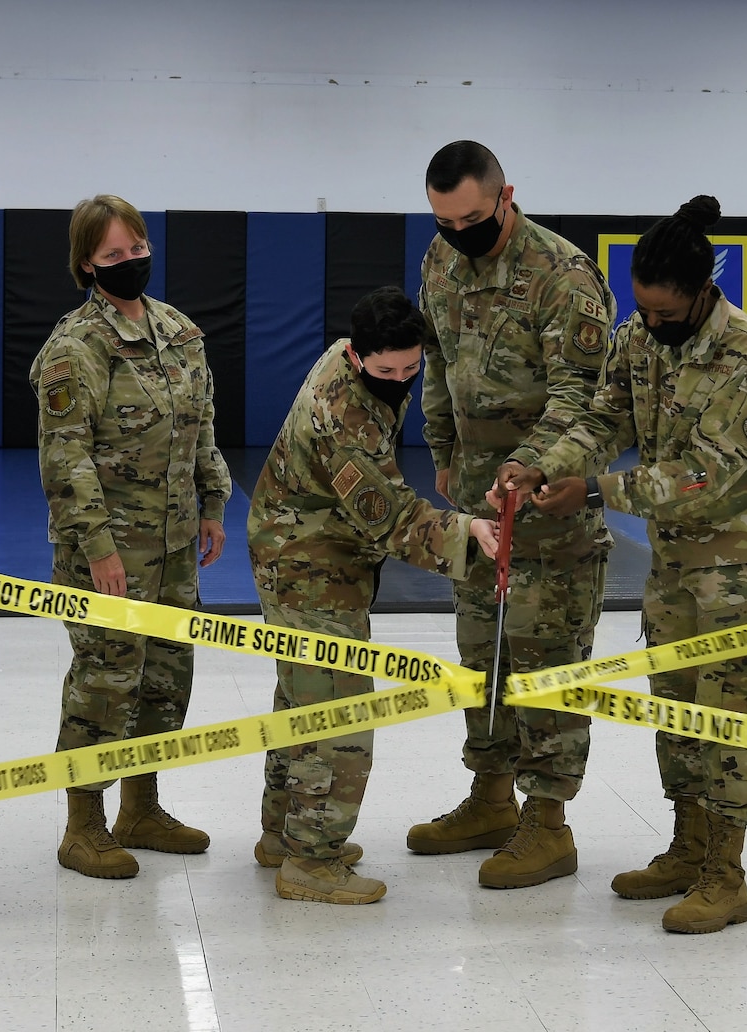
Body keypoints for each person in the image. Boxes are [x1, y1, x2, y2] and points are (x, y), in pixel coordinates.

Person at [498, 195, 747, 934]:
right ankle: (687, 846)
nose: (653, 325)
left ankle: (726, 874)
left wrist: (597, 490)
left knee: (727, 714)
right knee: (674, 706)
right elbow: (603, 419)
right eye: (645, 310)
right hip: (673, 560)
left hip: (736, 561)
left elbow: (709, 472)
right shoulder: (638, 337)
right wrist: (541, 466)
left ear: (704, 292)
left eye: (667, 313)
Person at [406, 140, 615, 890]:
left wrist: (530, 468)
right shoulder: (439, 263)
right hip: (476, 504)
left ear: (505, 196)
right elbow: (435, 364)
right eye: (441, 220)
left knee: (545, 664)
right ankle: (491, 798)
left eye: (469, 217)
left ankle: (548, 824)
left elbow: (581, 397)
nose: (456, 232)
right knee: (482, 657)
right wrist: (441, 448)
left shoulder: (561, 276)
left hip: (548, 505)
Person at [249, 287, 501, 905]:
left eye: (410, 368)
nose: (400, 379)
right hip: (307, 563)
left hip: (308, 549)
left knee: (300, 698)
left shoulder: (355, 356)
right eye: (385, 370)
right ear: (358, 358)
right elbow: (389, 519)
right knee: (338, 712)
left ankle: (283, 836)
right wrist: (472, 534)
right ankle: (312, 860)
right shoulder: (345, 417)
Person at [31, 194, 231, 880]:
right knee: (105, 682)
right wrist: (99, 549)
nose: (130, 262)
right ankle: (83, 824)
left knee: (165, 679)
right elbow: (66, 458)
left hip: (175, 548)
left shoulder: (178, 332)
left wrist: (213, 503)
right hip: (110, 552)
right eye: (114, 255)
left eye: (137, 249)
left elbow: (201, 424)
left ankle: (141, 807)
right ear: (86, 263)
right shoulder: (75, 348)